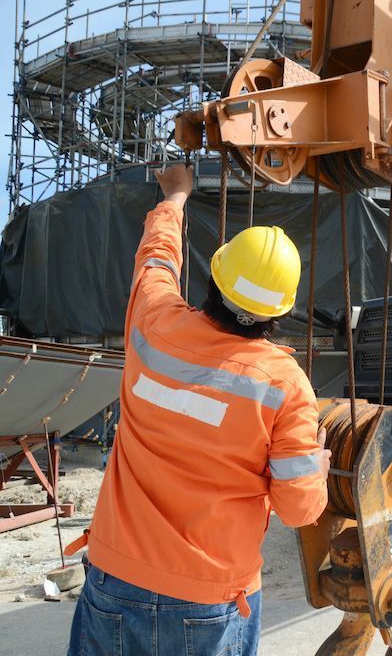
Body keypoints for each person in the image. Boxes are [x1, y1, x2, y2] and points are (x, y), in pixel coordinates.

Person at [66, 164, 330, 655]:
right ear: (280, 312)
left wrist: (177, 196)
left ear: (214, 277)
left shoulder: (154, 324)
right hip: (211, 599)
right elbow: (298, 509)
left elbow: (157, 259)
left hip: (115, 577)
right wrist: (319, 466)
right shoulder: (286, 386)